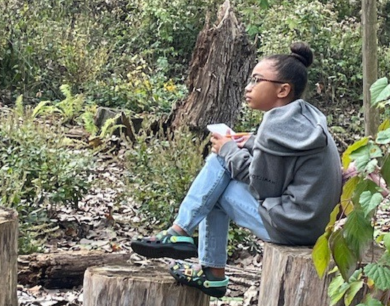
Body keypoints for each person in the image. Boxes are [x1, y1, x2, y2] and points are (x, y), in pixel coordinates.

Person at [130, 42, 343, 298]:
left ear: (283, 89)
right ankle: (189, 246)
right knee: (220, 171)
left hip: (293, 227)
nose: (248, 87)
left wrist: (229, 149)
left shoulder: (274, 125)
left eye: (256, 80)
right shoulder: (306, 116)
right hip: (314, 223)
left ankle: (187, 241)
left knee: (218, 175)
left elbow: (263, 185)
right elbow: (286, 166)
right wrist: (252, 142)